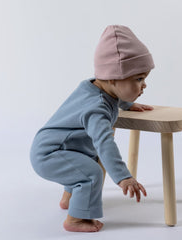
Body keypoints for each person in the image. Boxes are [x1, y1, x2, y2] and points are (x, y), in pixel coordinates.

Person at [30, 25, 155, 232]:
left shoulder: (93, 87)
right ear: (113, 76)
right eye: (139, 79)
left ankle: (69, 199)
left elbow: (114, 96)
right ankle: (75, 220)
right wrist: (123, 176)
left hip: (56, 147)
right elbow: (105, 143)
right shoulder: (96, 109)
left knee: (82, 162)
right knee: (91, 173)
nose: (144, 85)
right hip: (50, 154)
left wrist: (127, 104)